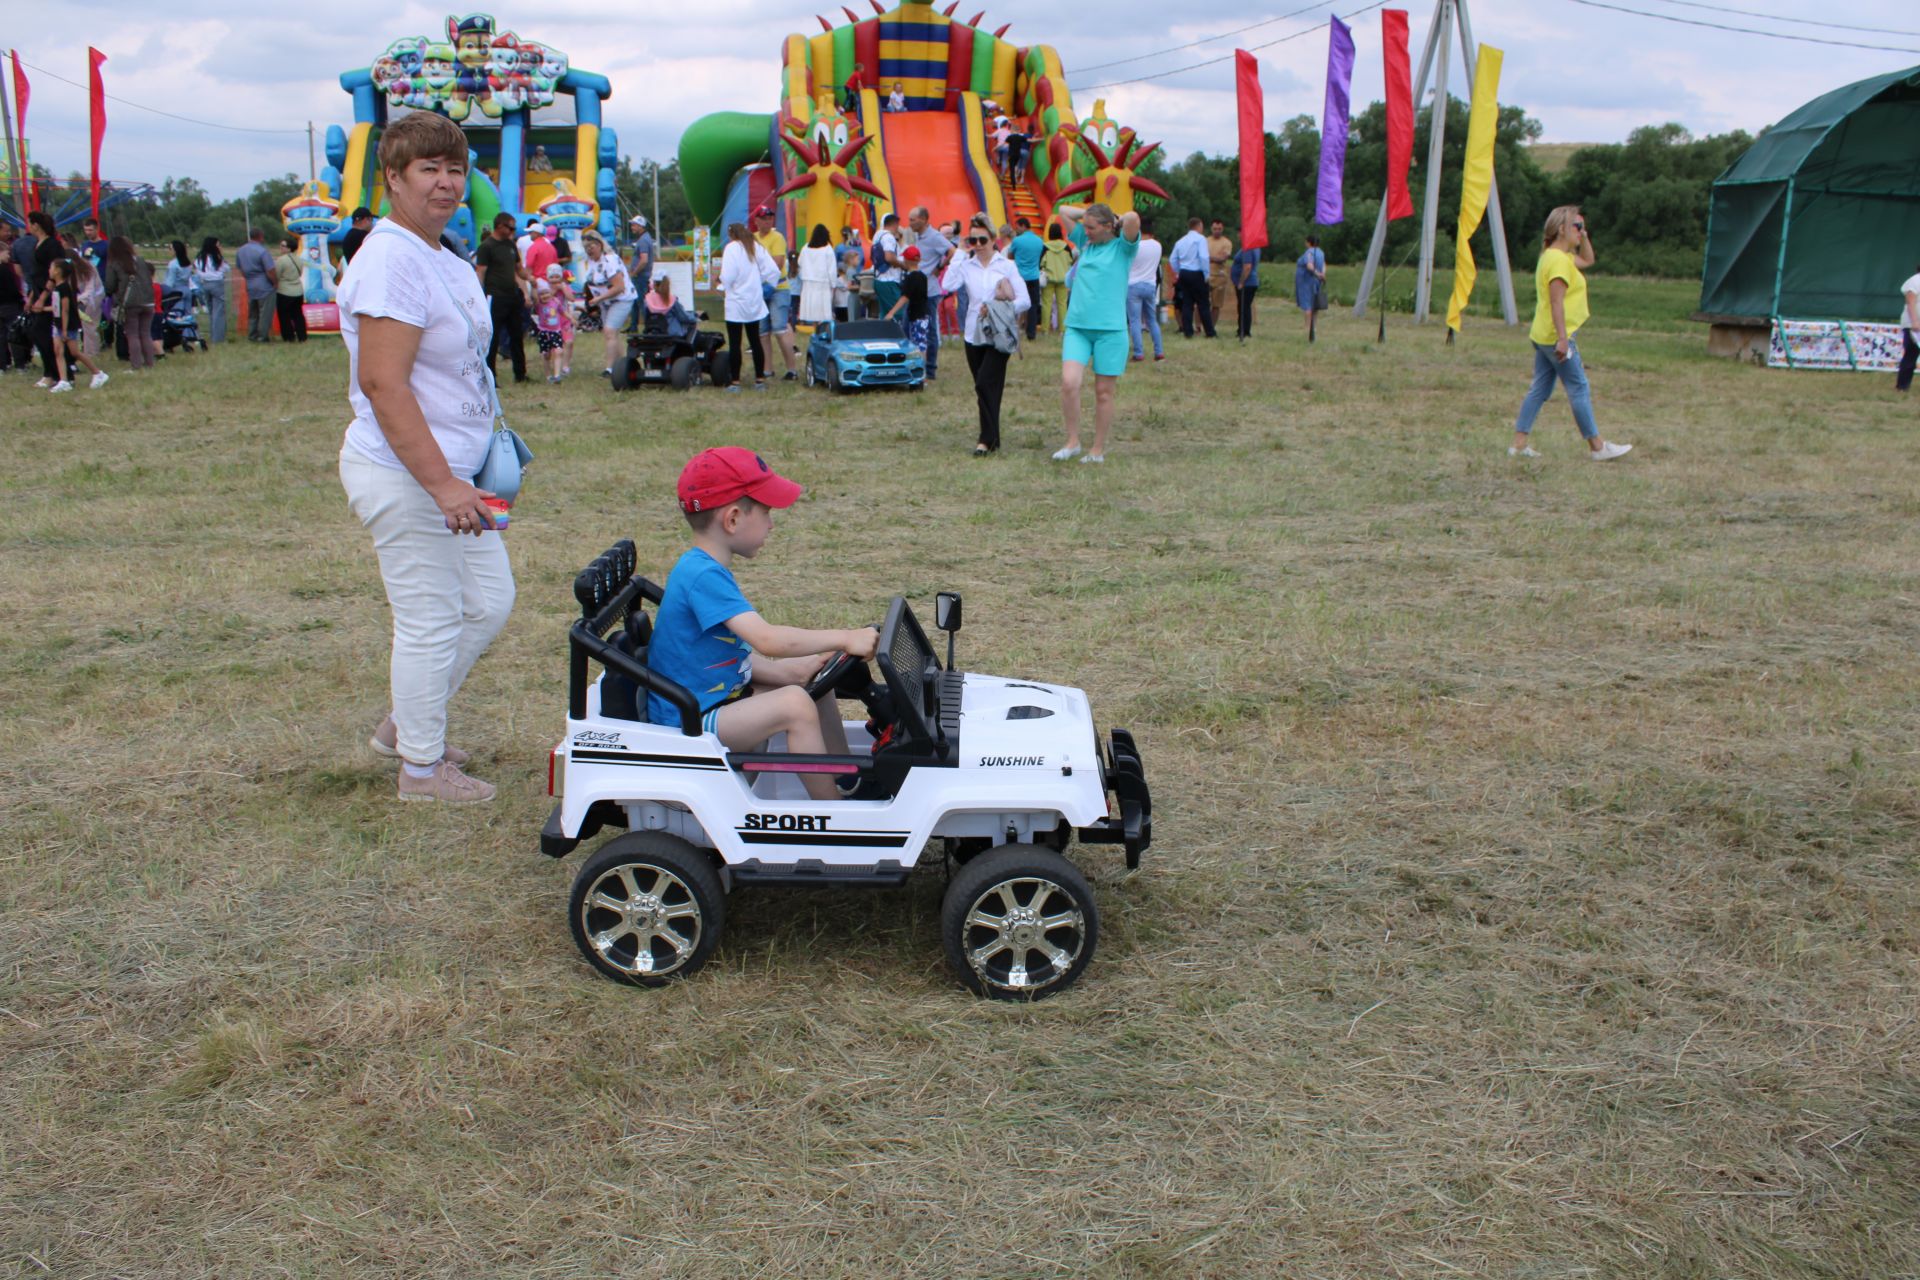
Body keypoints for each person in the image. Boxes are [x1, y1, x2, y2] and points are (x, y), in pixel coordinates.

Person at [337, 110, 516, 804]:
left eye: (455, 169)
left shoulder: (440, 255)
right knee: (432, 617)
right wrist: (443, 485)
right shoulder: (389, 258)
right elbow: (383, 383)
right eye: (428, 170)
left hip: (457, 476)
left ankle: (406, 727)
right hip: (410, 474)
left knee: (491, 601)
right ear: (393, 178)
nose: (445, 183)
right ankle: (421, 769)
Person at [648, 447, 879, 801]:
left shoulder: (704, 569)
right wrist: (846, 637)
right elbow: (768, 640)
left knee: (812, 679)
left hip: (718, 699)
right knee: (794, 705)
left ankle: (846, 778)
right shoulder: (703, 576)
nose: (771, 523)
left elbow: (717, 654)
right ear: (733, 519)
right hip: (692, 724)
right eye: (767, 511)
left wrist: (795, 670)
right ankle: (834, 816)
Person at [1509, 206, 1632, 461]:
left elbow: (1588, 260)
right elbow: (1557, 302)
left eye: (1583, 227)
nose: (1582, 231)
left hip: (1543, 334)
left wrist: (1584, 237)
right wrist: (1564, 339)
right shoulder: (1557, 261)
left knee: (1540, 389)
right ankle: (1597, 447)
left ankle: (1518, 445)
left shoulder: (1558, 256)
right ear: (1561, 229)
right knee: (1578, 387)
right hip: (1556, 336)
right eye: (1577, 226)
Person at [1053, 202, 1140, 464]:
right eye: (1085, 227)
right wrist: (1087, 215)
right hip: (1078, 327)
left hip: (1110, 331)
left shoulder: (1123, 248)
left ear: (1106, 227)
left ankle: (1097, 449)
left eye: (1091, 227)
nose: (1085, 231)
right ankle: (1072, 442)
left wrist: (1116, 218)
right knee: (1069, 383)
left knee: (1103, 392)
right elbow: (1063, 210)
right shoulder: (1085, 240)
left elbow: (1133, 217)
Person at [942, 224, 1027, 455]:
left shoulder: (1007, 265)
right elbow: (947, 286)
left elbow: (1024, 300)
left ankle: (984, 440)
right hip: (973, 334)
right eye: (973, 240)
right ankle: (993, 439)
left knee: (984, 383)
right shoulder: (967, 265)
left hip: (999, 333)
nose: (977, 245)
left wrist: (996, 308)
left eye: (982, 240)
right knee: (988, 388)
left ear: (993, 240)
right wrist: (959, 252)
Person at [719, 220, 776, 391]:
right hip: (753, 300)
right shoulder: (755, 247)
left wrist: (723, 285)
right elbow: (772, 270)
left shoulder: (732, 248)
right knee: (755, 341)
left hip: (736, 301)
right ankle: (759, 380)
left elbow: (728, 275)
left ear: (731, 234)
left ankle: (735, 382)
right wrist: (764, 284)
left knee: (735, 343)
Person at [473, 212, 529, 384]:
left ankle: (520, 374)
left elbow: (519, 270)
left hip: (512, 295)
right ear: (500, 226)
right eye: (510, 227)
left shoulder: (511, 245)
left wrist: (532, 281)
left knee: (517, 335)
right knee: (493, 337)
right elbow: (480, 271)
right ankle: (491, 377)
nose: (512, 230)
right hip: (495, 297)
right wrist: (478, 295)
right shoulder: (487, 246)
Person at [39, 258, 108, 392]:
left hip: (67, 325)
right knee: (58, 352)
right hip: (57, 324)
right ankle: (64, 380)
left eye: (51, 268)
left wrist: (64, 330)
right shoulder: (56, 288)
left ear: (58, 271)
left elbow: (65, 309)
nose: (49, 270)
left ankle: (98, 373)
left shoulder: (64, 288)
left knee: (75, 352)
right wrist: (42, 309)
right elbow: (56, 307)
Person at [579, 230, 636, 377]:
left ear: (599, 244)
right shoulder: (591, 261)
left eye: (591, 247)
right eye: (586, 248)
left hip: (621, 299)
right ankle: (624, 365)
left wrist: (599, 299)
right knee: (612, 334)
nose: (589, 250)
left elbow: (619, 287)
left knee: (609, 331)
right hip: (606, 302)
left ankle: (609, 369)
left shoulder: (609, 260)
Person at [752, 206, 799, 380]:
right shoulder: (753, 239)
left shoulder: (777, 237)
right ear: (756, 220)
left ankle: (792, 369)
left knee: (779, 328)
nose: (767, 221)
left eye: (770, 218)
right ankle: (767, 369)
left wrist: (757, 265)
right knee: (762, 331)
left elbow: (777, 263)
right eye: (764, 218)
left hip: (778, 288)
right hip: (759, 289)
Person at [905, 205, 950, 380]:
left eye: (912, 220)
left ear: (923, 219)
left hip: (929, 291)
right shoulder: (919, 236)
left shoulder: (934, 237)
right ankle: (913, 364)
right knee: (908, 326)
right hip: (917, 288)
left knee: (929, 330)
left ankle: (930, 368)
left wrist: (939, 266)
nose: (909, 223)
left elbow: (952, 251)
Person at [102, 237, 156, 372]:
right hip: (148, 301)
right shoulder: (141, 261)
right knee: (145, 333)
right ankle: (149, 363)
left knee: (132, 335)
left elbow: (109, 286)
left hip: (129, 303)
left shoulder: (114, 264)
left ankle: (136, 365)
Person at [24, 210, 65, 384]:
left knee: (40, 332)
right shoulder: (37, 243)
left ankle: (53, 373)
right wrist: (32, 297)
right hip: (37, 290)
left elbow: (54, 274)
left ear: (36, 225)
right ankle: (51, 371)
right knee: (35, 332)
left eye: (30, 223)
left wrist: (42, 297)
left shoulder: (52, 245)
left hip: (49, 294)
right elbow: (36, 274)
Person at [1169, 217, 1215, 339]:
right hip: (1197, 273)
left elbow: (1172, 259)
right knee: (1203, 304)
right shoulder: (1200, 239)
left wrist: (1179, 271)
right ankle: (1210, 332)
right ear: (1199, 226)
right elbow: (1204, 257)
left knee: (1187, 304)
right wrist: (1206, 274)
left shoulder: (1180, 241)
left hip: (1184, 273)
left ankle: (1187, 332)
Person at [1125, 224, 1165, 363]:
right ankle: (1159, 352)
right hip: (1150, 285)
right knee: (1152, 320)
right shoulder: (1158, 246)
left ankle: (1138, 353)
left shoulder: (1135, 246)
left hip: (1133, 285)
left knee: (1135, 321)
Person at [884, 245, 931, 357]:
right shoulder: (923, 276)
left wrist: (891, 312)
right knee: (921, 343)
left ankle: (920, 369)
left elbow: (905, 297)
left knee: (919, 346)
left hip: (917, 316)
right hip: (924, 314)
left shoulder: (911, 278)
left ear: (906, 260)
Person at [237, 228, 278, 342]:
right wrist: (275, 282)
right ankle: (263, 336)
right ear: (261, 236)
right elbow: (270, 270)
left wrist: (249, 278)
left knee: (253, 313)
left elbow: (240, 268)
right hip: (264, 286)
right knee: (265, 313)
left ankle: (252, 334)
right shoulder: (262, 251)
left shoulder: (241, 250)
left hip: (250, 285)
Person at [1008, 217, 1045, 340]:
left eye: (1017, 226)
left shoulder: (1017, 241)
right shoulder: (1039, 240)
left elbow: (1010, 256)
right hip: (1034, 276)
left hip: (1019, 276)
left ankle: (1011, 329)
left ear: (1023, 226)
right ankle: (1031, 333)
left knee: (1014, 302)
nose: (1016, 229)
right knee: (1033, 305)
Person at [796, 223, 837, 326]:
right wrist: (833, 284)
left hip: (808, 283)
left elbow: (800, 263)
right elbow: (832, 269)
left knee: (810, 309)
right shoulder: (828, 249)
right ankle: (820, 329)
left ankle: (809, 327)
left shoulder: (805, 247)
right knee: (822, 312)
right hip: (822, 283)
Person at [530, 278, 568, 382]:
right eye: (541, 294)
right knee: (546, 355)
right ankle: (548, 376)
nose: (545, 296)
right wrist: (534, 287)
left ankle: (557, 376)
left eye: (546, 293)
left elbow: (563, 312)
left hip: (556, 331)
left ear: (550, 292)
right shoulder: (539, 305)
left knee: (559, 351)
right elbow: (534, 297)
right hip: (544, 332)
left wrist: (572, 319)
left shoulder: (555, 302)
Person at [1038, 225, 1074, 335]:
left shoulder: (1045, 247)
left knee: (1046, 304)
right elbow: (1071, 262)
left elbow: (1041, 263)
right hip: (1063, 279)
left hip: (1049, 279)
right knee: (1062, 304)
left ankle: (1045, 329)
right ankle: (1062, 330)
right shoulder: (1067, 247)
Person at [193, 237, 229, 343]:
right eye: (218, 245)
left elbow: (197, 269)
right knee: (219, 312)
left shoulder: (200, 258)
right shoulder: (216, 257)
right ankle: (218, 338)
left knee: (212, 311)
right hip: (217, 284)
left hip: (205, 284)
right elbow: (226, 268)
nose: (220, 247)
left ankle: (214, 334)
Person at [643, 275, 700, 341]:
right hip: (671, 332)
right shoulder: (672, 300)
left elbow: (646, 315)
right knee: (692, 323)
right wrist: (695, 316)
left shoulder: (647, 300)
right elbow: (684, 318)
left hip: (652, 330)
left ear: (654, 284)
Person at [274, 236, 308, 342]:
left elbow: (277, 275)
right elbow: (300, 273)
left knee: (284, 316)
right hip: (298, 290)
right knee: (298, 315)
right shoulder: (299, 259)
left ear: (289, 248)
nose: (281, 248)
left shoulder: (281, 260)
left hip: (284, 291)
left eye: (283, 246)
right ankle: (302, 336)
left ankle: (288, 337)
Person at [873, 212, 906, 320]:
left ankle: (883, 335)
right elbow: (889, 257)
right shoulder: (889, 237)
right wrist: (902, 265)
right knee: (898, 312)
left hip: (879, 278)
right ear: (895, 224)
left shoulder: (877, 236)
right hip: (889, 280)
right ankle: (899, 335)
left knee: (885, 313)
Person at [1293, 234, 1326, 338]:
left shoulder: (1309, 252)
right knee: (1315, 304)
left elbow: (1309, 265)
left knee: (1307, 303)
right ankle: (1314, 325)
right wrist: (1322, 274)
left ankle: (1307, 326)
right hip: (1317, 281)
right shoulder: (1321, 252)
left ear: (1309, 242)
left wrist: (1317, 274)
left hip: (1307, 281)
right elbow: (1324, 264)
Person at [626, 215, 654, 329]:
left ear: (640, 226)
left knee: (641, 302)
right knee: (635, 302)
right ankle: (633, 326)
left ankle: (648, 327)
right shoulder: (645, 238)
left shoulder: (643, 240)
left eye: (634, 225)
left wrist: (634, 272)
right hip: (640, 276)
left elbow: (644, 260)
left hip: (640, 276)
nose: (632, 227)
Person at [1895, 263, 1920, 392]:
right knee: (1911, 355)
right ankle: (1902, 386)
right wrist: (1915, 322)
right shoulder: (1915, 280)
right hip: (1914, 326)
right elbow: (1911, 302)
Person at [1206, 219, 1234, 334]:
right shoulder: (1205, 241)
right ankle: (1198, 326)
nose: (1217, 231)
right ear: (1211, 229)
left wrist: (1209, 258)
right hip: (1205, 276)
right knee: (1201, 304)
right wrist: (1215, 258)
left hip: (1220, 277)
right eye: (1214, 229)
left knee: (1216, 305)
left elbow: (1223, 259)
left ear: (1223, 229)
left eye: (1219, 229)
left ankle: (1211, 328)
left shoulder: (1227, 243)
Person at [1230, 242, 1259, 341]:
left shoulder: (1248, 249)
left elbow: (1247, 267)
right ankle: (1244, 329)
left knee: (1243, 307)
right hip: (1251, 282)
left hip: (1247, 283)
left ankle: (1244, 330)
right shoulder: (1255, 247)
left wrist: (1241, 282)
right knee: (1245, 307)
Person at [837, 227, 865, 320]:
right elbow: (849, 285)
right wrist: (861, 287)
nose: (859, 261)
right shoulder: (851, 271)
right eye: (857, 259)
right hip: (853, 297)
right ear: (851, 260)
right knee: (853, 317)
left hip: (854, 297)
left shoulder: (852, 270)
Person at [162, 240, 197, 311]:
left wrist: (163, 291)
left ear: (176, 250)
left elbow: (170, 282)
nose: (169, 250)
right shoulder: (187, 263)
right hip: (187, 290)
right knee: (187, 314)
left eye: (170, 248)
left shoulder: (173, 264)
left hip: (176, 292)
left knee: (177, 314)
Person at [1005, 120, 1031, 186]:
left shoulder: (1020, 135)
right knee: (1023, 166)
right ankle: (1022, 179)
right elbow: (1030, 140)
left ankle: (1016, 177)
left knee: (1017, 165)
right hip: (1026, 152)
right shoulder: (1024, 136)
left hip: (1019, 151)